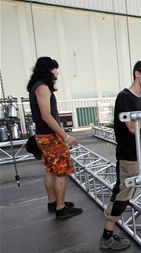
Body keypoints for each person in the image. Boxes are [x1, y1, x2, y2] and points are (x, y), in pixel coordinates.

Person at [100, 60, 141, 250]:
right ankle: (107, 236)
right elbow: (131, 127)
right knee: (123, 194)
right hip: (129, 155)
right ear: (137, 74)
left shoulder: (138, 98)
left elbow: (139, 127)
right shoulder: (125, 97)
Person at [26, 57, 83, 219]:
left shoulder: (36, 86)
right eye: (56, 69)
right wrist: (65, 136)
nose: (58, 72)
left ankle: (53, 202)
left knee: (50, 170)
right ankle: (61, 208)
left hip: (43, 136)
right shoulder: (43, 87)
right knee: (61, 172)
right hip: (50, 138)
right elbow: (46, 116)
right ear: (50, 70)